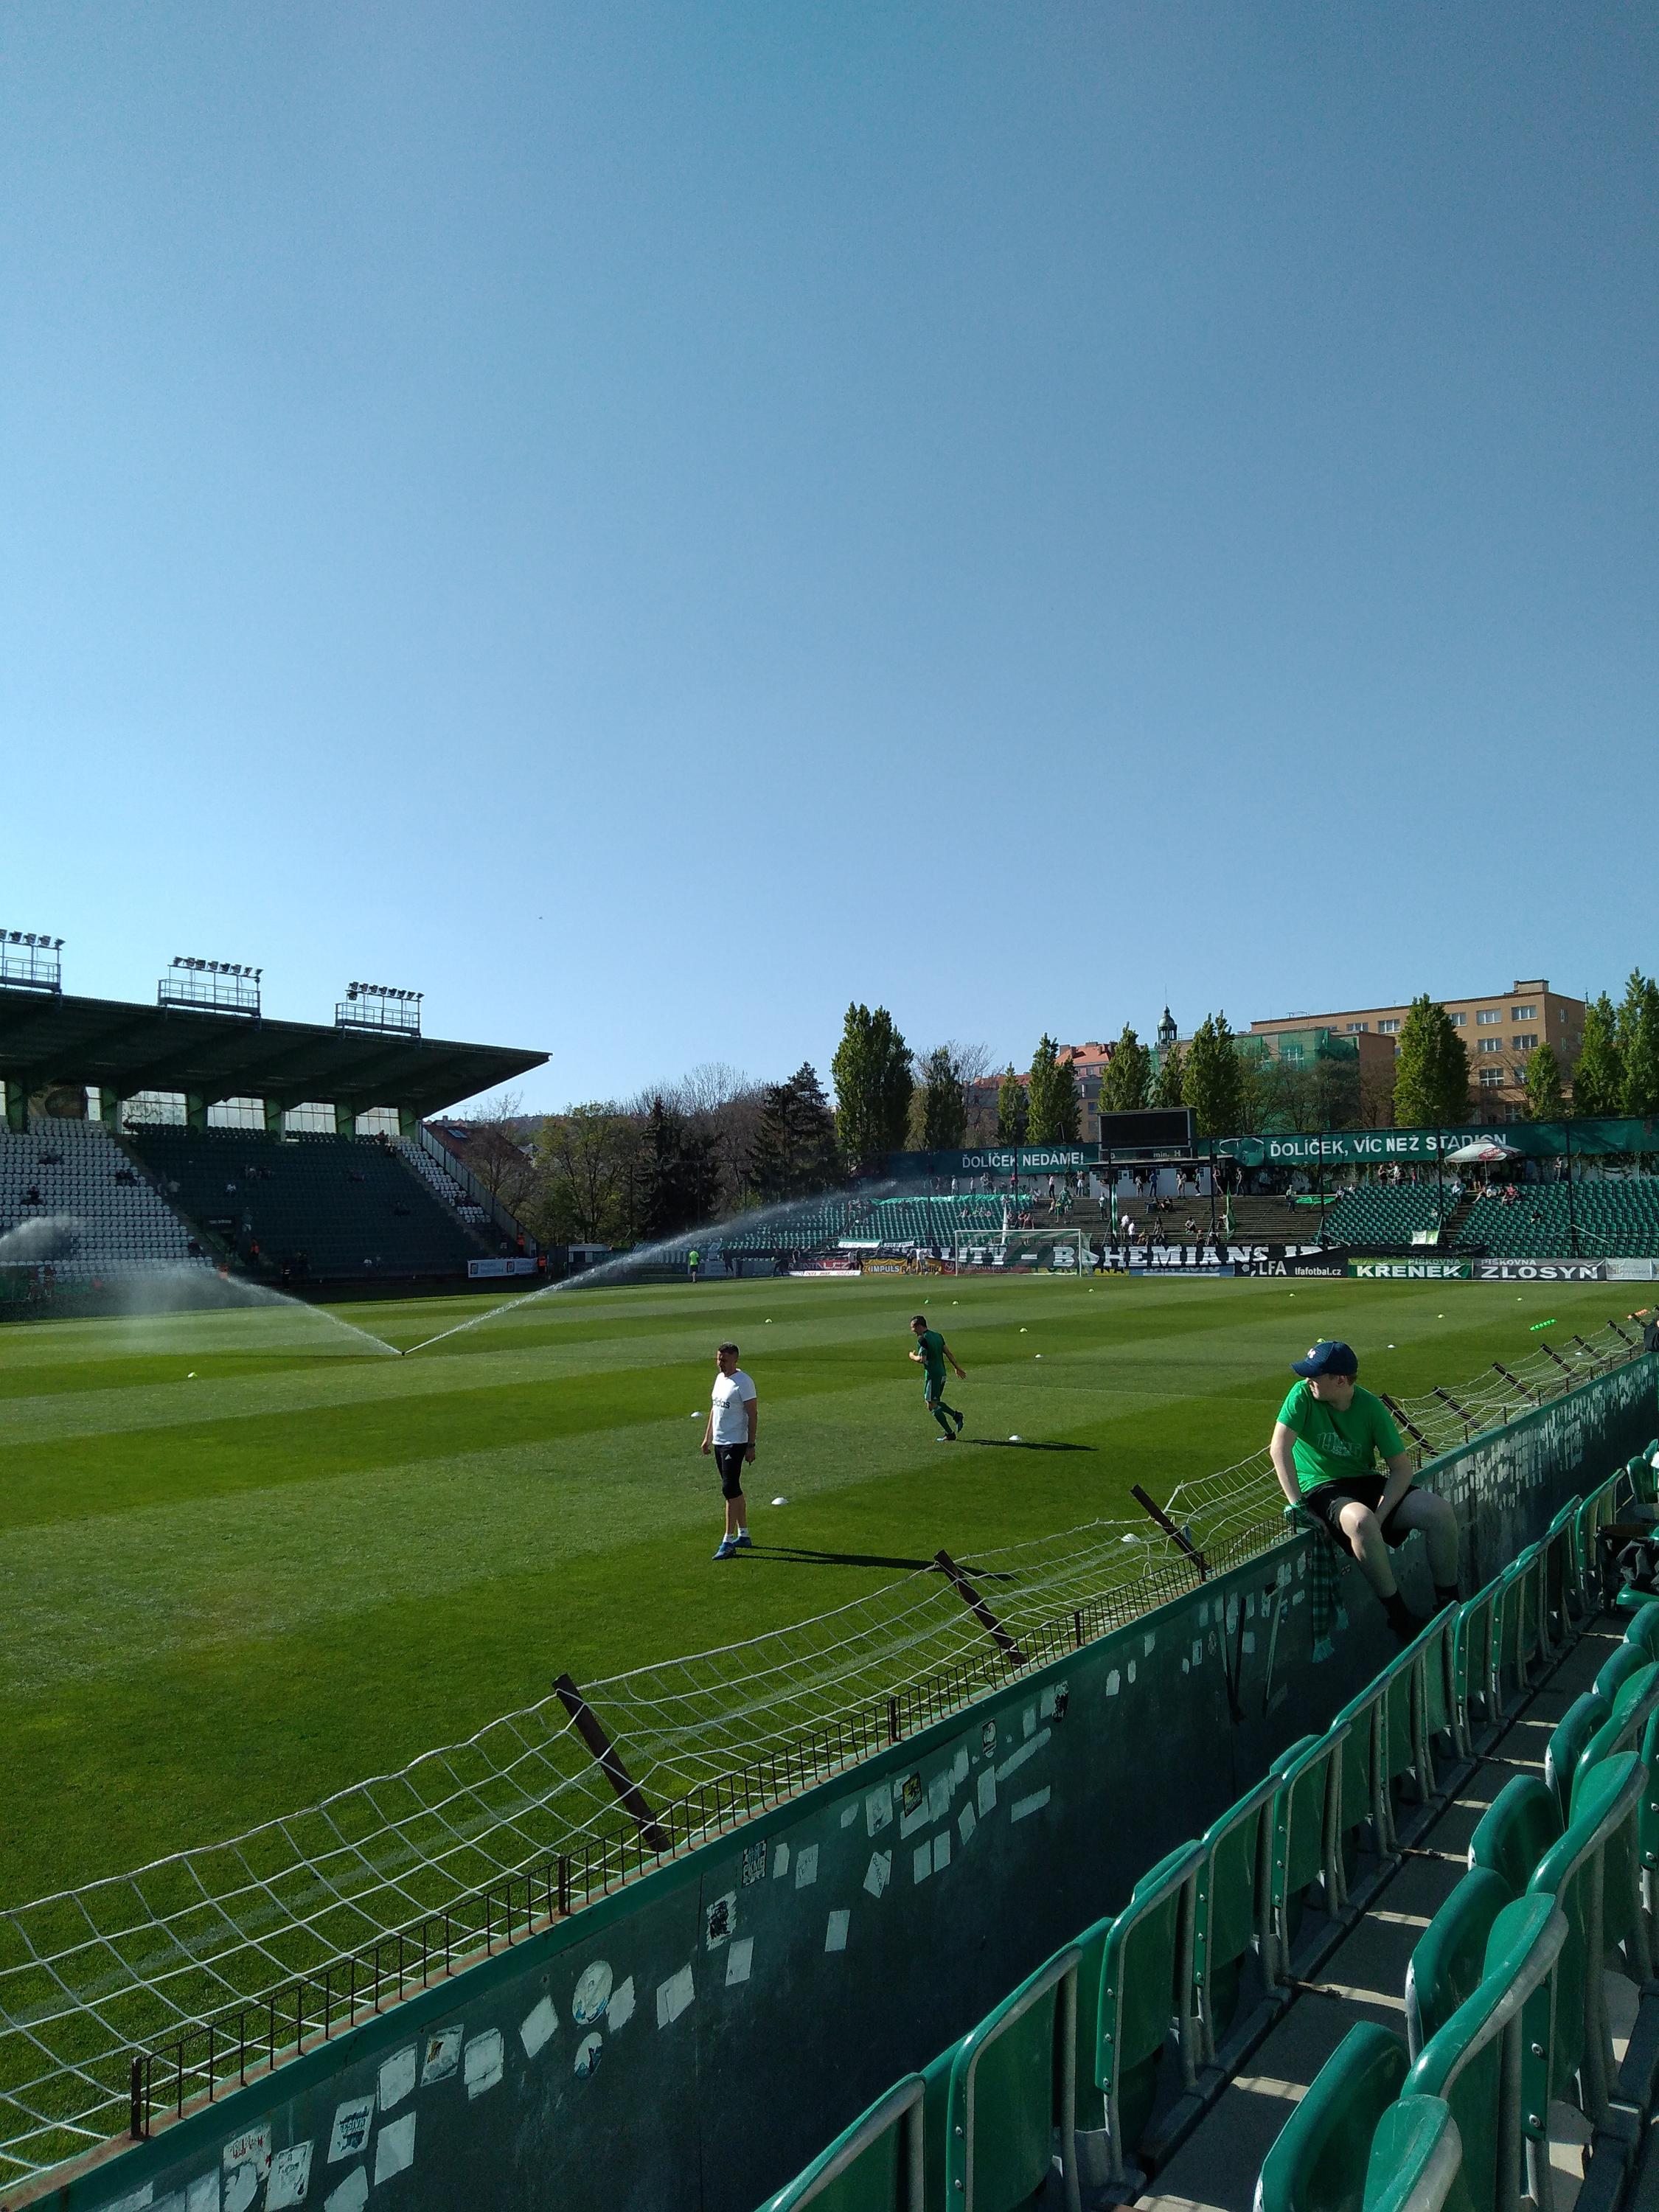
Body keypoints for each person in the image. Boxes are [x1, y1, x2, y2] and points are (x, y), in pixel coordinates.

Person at [1270, 1339, 1460, 1640]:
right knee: (1360, 1520)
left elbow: (1401, 1469)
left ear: (1341, 1380)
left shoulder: (1370, 1407)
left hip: (1364, 1480)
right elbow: (1279, 1448)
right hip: (1322, 1486)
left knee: (1440, 1512)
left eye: (1315, 1376)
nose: (1307, 1381)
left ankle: (1451, 1604)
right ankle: (1400, 1618)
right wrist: (1298, 1506)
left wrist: (1382, 1515)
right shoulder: (1302, 1395)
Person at [703, 1343, 757, 1559]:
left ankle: (728, 1540)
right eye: (718, 1359)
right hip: (719, 1441)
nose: (719, 1364)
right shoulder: (720, 1380)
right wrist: (707, 1437)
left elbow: (753, 1414)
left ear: (735, 1360)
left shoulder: (744, 1382)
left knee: (729, 1489)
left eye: (724, 1360)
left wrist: (751, 1445)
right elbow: (715, 1408)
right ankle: (743, 1534)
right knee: (733, 1489)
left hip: (735, 1442)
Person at [909, 1312, 967, 1440]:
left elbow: (922, 1359)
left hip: (933, 1376)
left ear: (919, 1326)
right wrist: (957, 1368)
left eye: (913, 1327)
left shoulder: (923, 1339)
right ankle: (956, 1416)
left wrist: (912, 1357)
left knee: (931, 1404)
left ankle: (950, 1433)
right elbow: (948, 1353)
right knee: (934, 1401)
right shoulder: (937, 1336)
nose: (912, 1331)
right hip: (941, 1373)